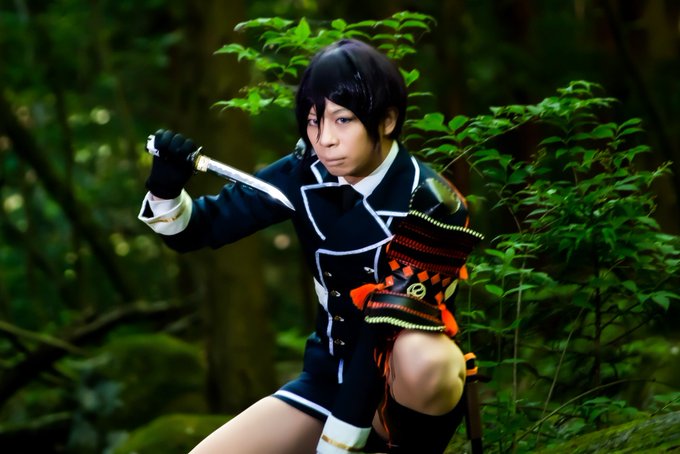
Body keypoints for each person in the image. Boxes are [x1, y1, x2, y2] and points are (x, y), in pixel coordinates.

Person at [139, 38, 483, 453]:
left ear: (387, 120)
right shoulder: (302, 173)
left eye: (343, 120)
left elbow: (383, 330)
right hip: (327, 379)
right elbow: (199, 229)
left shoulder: (431, 202)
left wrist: (337, 444)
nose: (325, 139)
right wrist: (165, 189)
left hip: (400, 390)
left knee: (422, 358)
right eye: (314, 121)